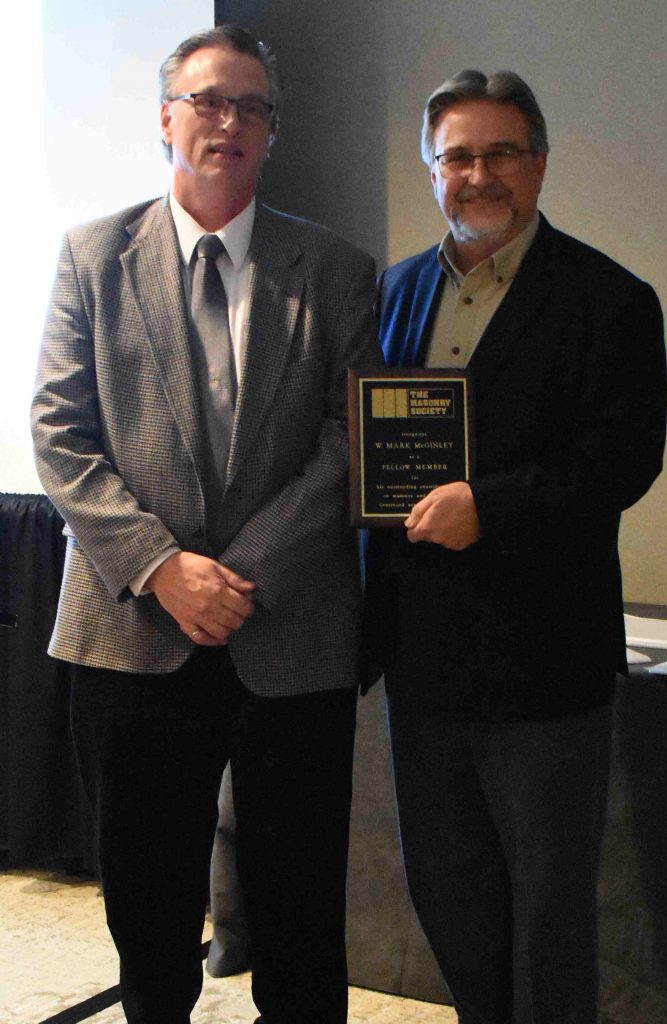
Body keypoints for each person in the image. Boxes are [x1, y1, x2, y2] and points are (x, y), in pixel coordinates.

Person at [32, 24, 380, 1024]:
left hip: (292, 635)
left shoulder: (336, 268)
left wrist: (238, 573)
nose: (229, 122)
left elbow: (345, 439)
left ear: (270, 132)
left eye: (251, 107)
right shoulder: (94, 256)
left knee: (301, 904)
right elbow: (60, 434)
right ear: (165, 117)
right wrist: (161, 569)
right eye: (208, 100)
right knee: (146, 904)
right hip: (131, 634)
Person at [363, 69, 667, 1024]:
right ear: (430, 169)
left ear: (537, 164)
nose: (478, 174)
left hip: (542, 669)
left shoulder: (610, 301)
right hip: (423, 664)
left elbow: (620, 463)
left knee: (547, 917)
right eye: (456, 155)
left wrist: (487, 507)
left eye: (500, 152)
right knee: (451, 900)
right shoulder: (397, 291)